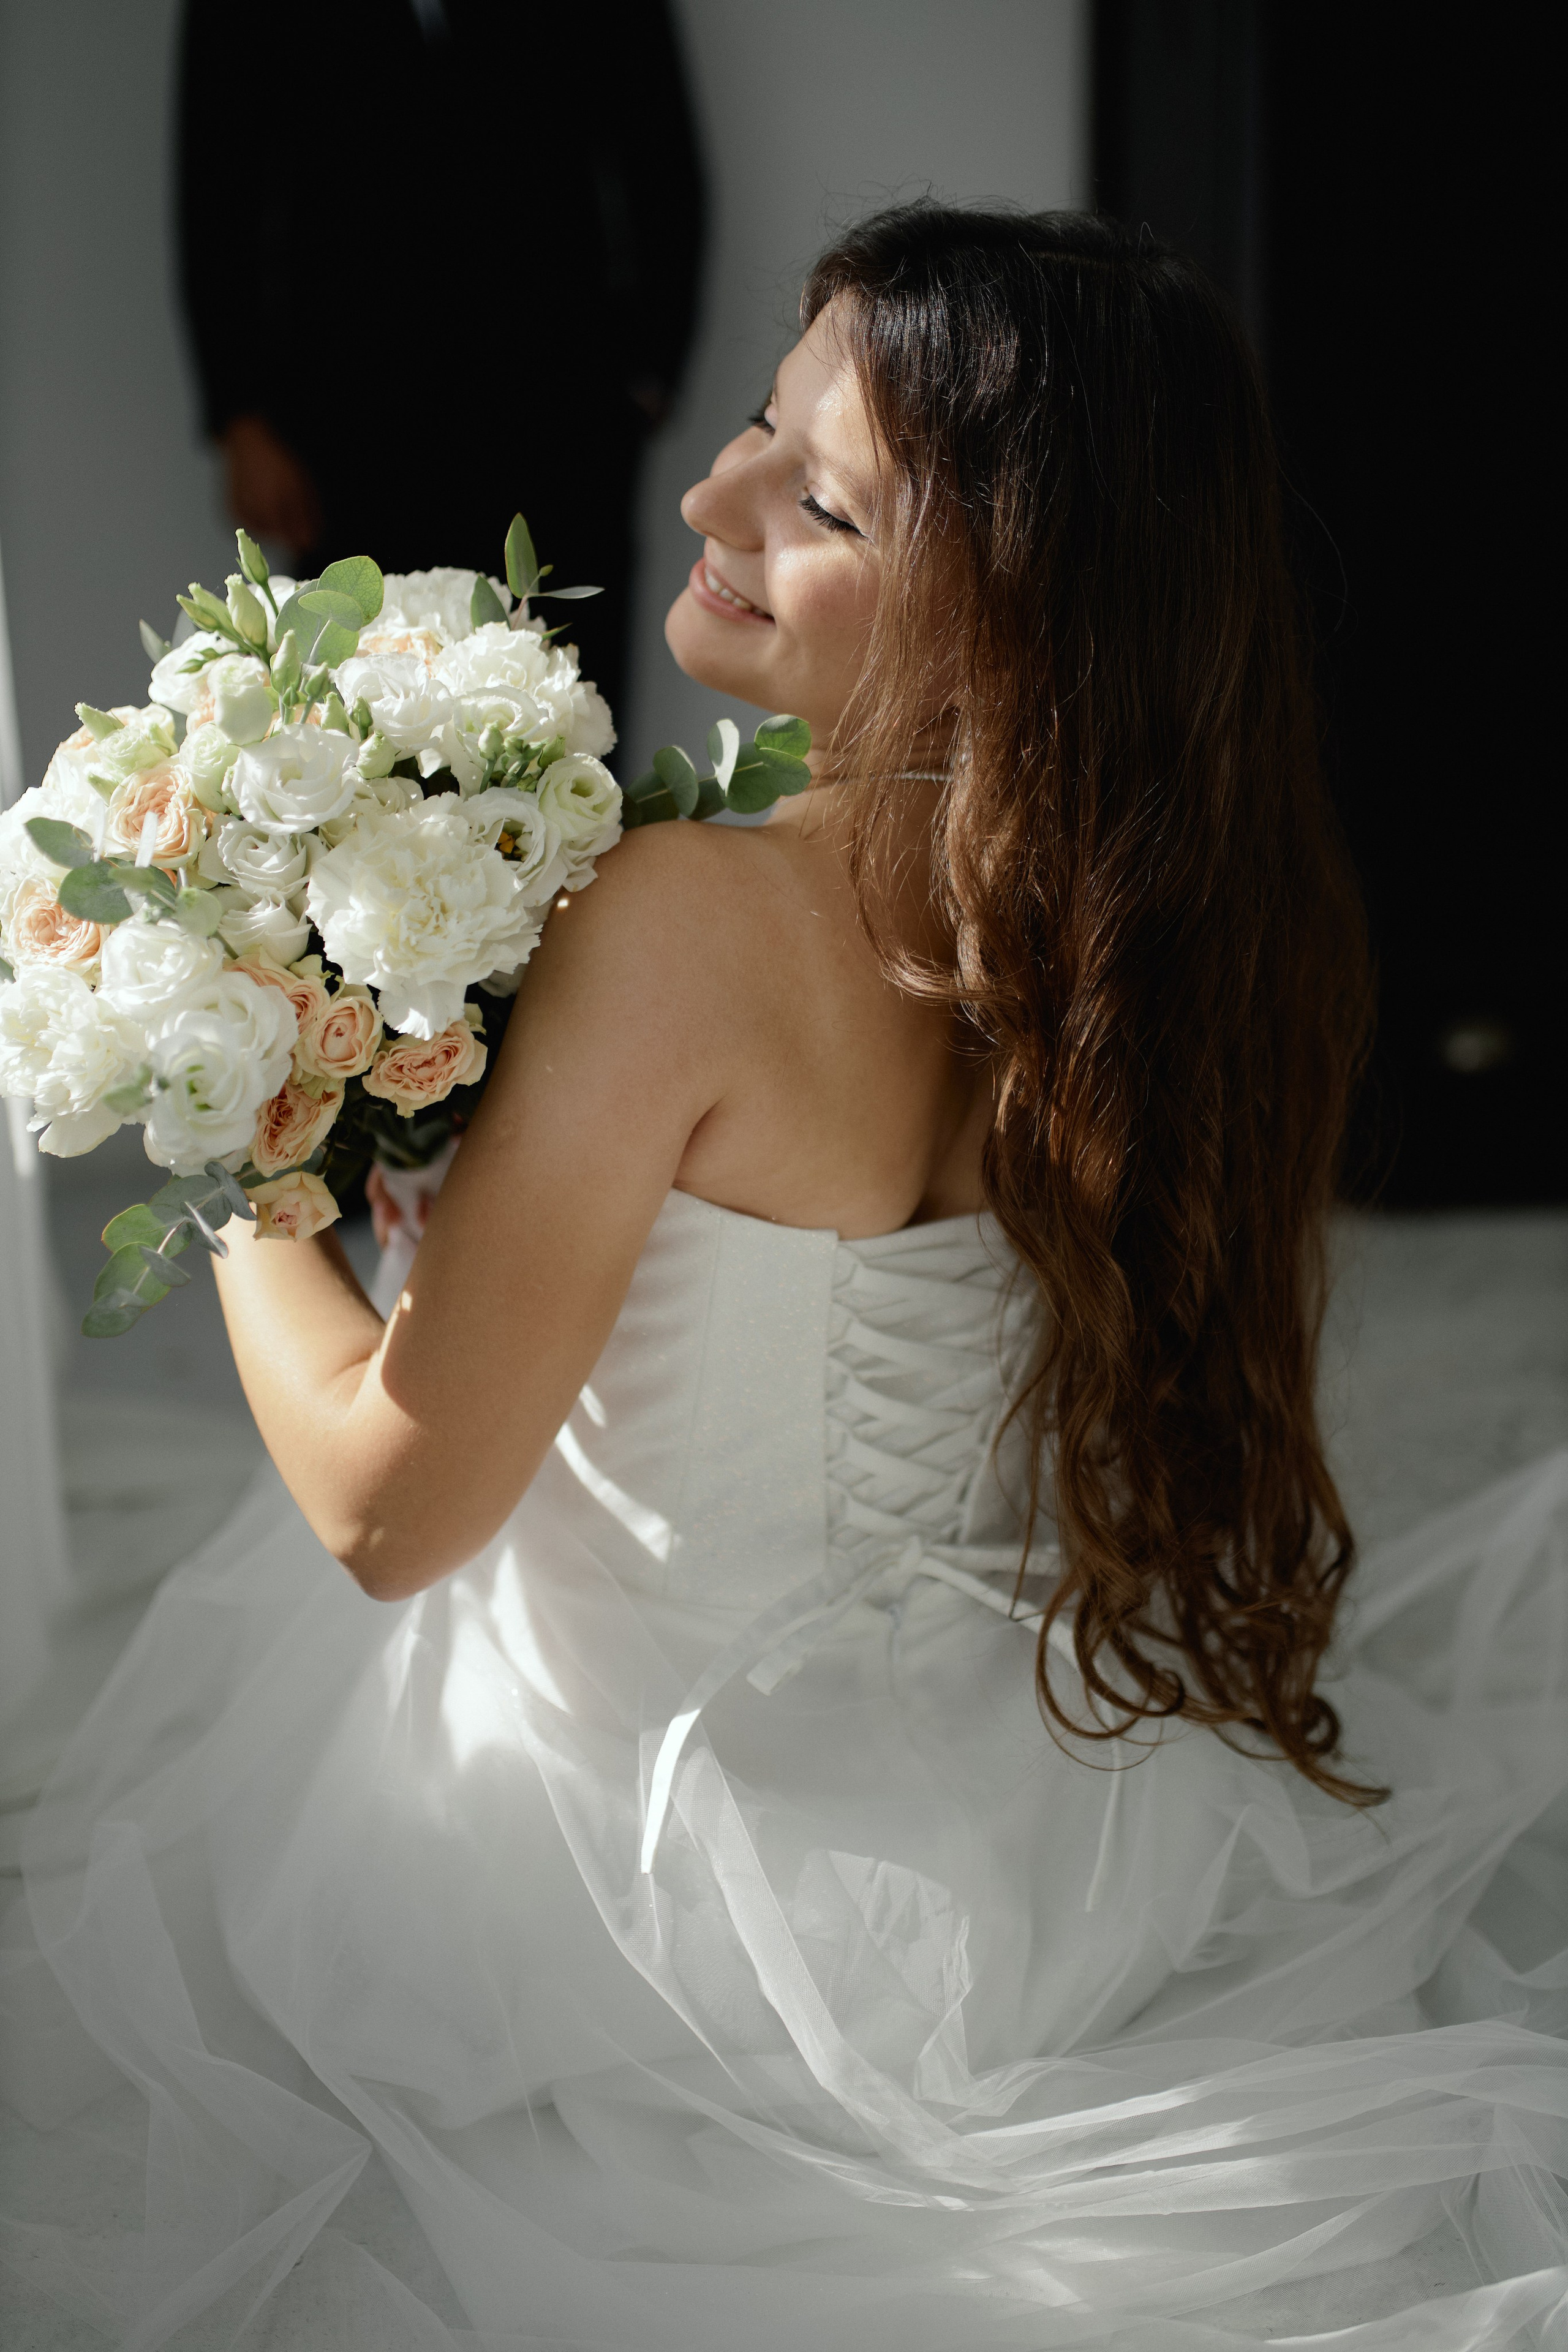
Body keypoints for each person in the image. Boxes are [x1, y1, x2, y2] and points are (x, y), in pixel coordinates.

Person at [8, 209, 1566, 2348]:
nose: (708, 496)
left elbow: (389, 1516)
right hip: (1026, 1864)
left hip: (667, 1933)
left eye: (817, 500)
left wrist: (237, 1151)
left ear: (1012, 614)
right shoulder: (1159, 942)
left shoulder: (680, 921)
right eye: (759, 422)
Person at [176, 0, 706, 723]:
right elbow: (217, 185)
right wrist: (240, 418)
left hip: (558, 406)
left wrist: (647, 374)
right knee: (367, 716)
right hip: (346, 426)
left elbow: (659, 149)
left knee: (569, 713)